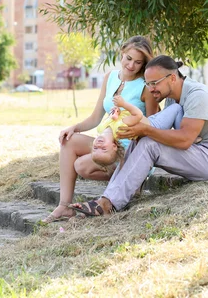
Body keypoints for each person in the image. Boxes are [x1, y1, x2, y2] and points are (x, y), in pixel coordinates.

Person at [70, 55, 208, 217]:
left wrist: (146, 130)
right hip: (198, 153)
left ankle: (108, 203)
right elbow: (163, 131)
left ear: (172, 78)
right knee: (141, 139)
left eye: (154, 83)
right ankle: (106, 200)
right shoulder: (172, 98)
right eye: (148, 84)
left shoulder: (197, 95)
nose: (150, 89)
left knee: (150, 142)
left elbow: (184, 140)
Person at [42, 35, 157, 223]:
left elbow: (153, 124)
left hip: (128, 148)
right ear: (122, 52)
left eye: (138, 62)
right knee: (68, 141)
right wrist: (74, 127)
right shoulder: (110, 77)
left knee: (81, 165)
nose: (131, 65)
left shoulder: (145, 86)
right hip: (105, 141)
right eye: (128, 59)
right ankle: (64, 206)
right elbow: (96, 118)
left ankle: (130, 181)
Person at [91, 94, 184, 170]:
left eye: (95, 148)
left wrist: (116, 111)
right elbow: (138, 114)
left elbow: (117, 117)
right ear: (114, 146)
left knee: (172, 105)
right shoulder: (120, 129)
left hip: (150, 120)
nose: (99, 146)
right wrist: (123, 104)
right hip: (155, 125)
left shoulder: (100, 128)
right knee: (176, 108)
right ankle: (184, 134)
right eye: (103, 149)